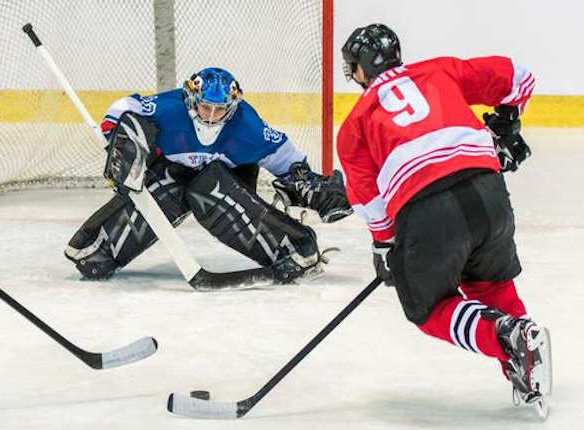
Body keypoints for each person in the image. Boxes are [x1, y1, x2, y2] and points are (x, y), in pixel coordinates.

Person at [337, 23, 551, 416]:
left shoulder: (354, 125)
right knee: (493, 285)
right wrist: (506, 125)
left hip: (428, 209)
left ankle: (503, 335)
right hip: (489, 195)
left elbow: (371, 201)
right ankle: (525, 359)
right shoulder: (440, 70)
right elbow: (520, 77)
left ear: (360, 70)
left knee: (428, 307)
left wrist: (386, 247)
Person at [65, 67, 352, 282]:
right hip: (176, 173)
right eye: (205, 107)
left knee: (206, 187)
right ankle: (100, 247)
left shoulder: (247, 125)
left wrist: (307, 182)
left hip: (228, 182)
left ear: (232, 107)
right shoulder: (169, 108)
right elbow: (122, 110)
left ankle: (294, 248)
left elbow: (288, 158)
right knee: (169, 186)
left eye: (220, 110)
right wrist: (122, 142)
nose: (211, 116)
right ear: (190, 99)